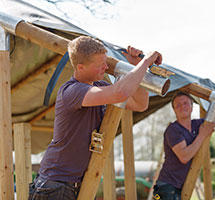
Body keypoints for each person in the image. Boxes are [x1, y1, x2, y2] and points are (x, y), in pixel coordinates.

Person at [28, 35, 162, 200]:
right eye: (100, 65)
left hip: (74, 184)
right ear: (81, 67)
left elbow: (140, 104)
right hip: (56, 184)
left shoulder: (100, 87)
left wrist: (136, 67)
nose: (106, 67)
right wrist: (145, 62)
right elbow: (120, 93)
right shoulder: (72, 91)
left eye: (106, 62)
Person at [153, 83, 215, 200]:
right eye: (177, 105)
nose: (182, 106)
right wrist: (202, 135)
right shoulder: (173, 130)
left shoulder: (198, 125)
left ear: (191, 106)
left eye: (185, 103)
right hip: (167, 186)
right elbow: (184, 157)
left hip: (182, 186)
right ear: (174, 110)